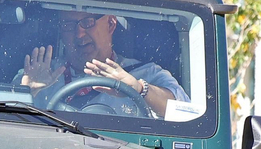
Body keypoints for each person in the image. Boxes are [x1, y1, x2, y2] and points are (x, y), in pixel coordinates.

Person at [20, 11, 186, 118]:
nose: (79, 33)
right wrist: (27, 92)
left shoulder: (145, 74)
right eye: (68, 26)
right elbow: (3, 122)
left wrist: (139, 89)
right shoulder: (39, 74)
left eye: (88, 22)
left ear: (111, 24)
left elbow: (186, 113)